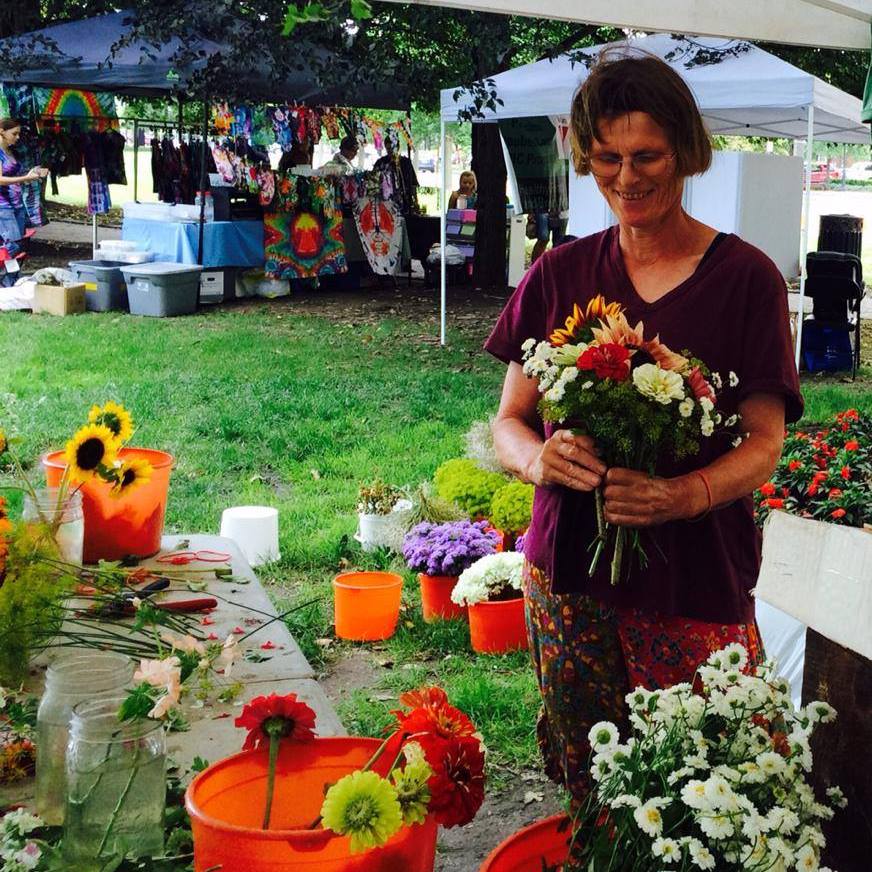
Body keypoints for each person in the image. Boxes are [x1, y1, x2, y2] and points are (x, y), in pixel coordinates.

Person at [485, 50, 802, 804]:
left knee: (712, 778)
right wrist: (538, 462)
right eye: (606, 159)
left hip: (697, 574)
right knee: (594, 778)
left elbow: (765, 442)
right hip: (568, 574)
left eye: (647, 155)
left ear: (686, 151)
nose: (626, 178)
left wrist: (684, 494)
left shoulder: (746, 280)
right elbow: (508, 421)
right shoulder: (560, 274)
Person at [0, 118, 47, 271]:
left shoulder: (10, 152)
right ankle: (7, 283)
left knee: (19, 246)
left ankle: (10, 284)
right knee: (12, 247)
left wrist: (32, 175)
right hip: (3, 206)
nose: (18, 137)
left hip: (17, 205)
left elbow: (14, 179)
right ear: (2, 132)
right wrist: (26, 178)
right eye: (14, 133)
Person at [373, 131, 419, 216]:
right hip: (385, 202)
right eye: (388, 149)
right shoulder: (381, 162)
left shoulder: (406, 162)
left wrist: (416, 202)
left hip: (404, 202)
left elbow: (413, 184)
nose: (390, 151)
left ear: (397, 147)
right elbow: (373, 184)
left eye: (392, 148)